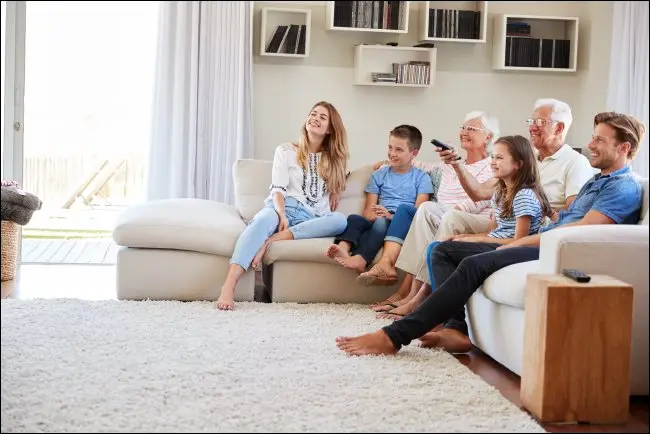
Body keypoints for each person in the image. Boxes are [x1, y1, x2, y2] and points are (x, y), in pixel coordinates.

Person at [336, 111, 645, 356]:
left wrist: (521, 239)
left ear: (624, 148)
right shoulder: (597, 180)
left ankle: (394, 337)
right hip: (548, 240)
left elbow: (581, 231)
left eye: (599, 140)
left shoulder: (623, 186)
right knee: (442, 250)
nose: (591, 144)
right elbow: (566, 216)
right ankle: (456, 329)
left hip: (556, 248)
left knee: (472, 263)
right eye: (593, 137)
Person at [366, 98, 594, 315]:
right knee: (432, 213)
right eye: (531, 121)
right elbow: (482, 192)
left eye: (540, 122)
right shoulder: (525, 158)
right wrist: (455, 165)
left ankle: (420, 298)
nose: (532, 127)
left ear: (559, 128)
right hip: (504, 223)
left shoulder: (575, 163)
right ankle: (410, 293)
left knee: (450, 220)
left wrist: (544, 212)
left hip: (531, 228)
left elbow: (573, 213)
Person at [361, 111, 499, 317]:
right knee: (424, 211)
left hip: (470, 219)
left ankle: (412, 297)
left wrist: (450, 212)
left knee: (432, 213)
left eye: (472, 128)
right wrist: (390, 161)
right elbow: (419, 163)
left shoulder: (492, 164)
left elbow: (479, 200)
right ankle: (406, 294)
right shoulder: (449, 165)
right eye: (463, 127)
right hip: (443, 216)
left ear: (488, 137)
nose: (464, 132)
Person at [216, 101, 349, 310]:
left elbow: (341, 182)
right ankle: (229, 286)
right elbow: (278, 188)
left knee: (341, 221)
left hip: (311, 217)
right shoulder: (286, 150)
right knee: (260, 221)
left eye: (323, 117)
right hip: (282, 208)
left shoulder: (334, 160)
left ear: (331, 129)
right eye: (313, 114)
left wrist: (337, 188)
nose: (315, 118)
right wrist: (281, 214)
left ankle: (269, 242)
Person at [325, 125, 434, 273]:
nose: (392, 153)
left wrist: (390, 216)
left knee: (381, 223)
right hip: (378, 217)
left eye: (399, 149)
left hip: (400, 223)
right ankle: (343, 248)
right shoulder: (378, 175)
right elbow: (368, 212)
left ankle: (361, 259)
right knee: (354, 219)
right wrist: (376, 215)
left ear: (414, 153)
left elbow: (418, 214)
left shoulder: (422, 178)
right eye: (390, 147)